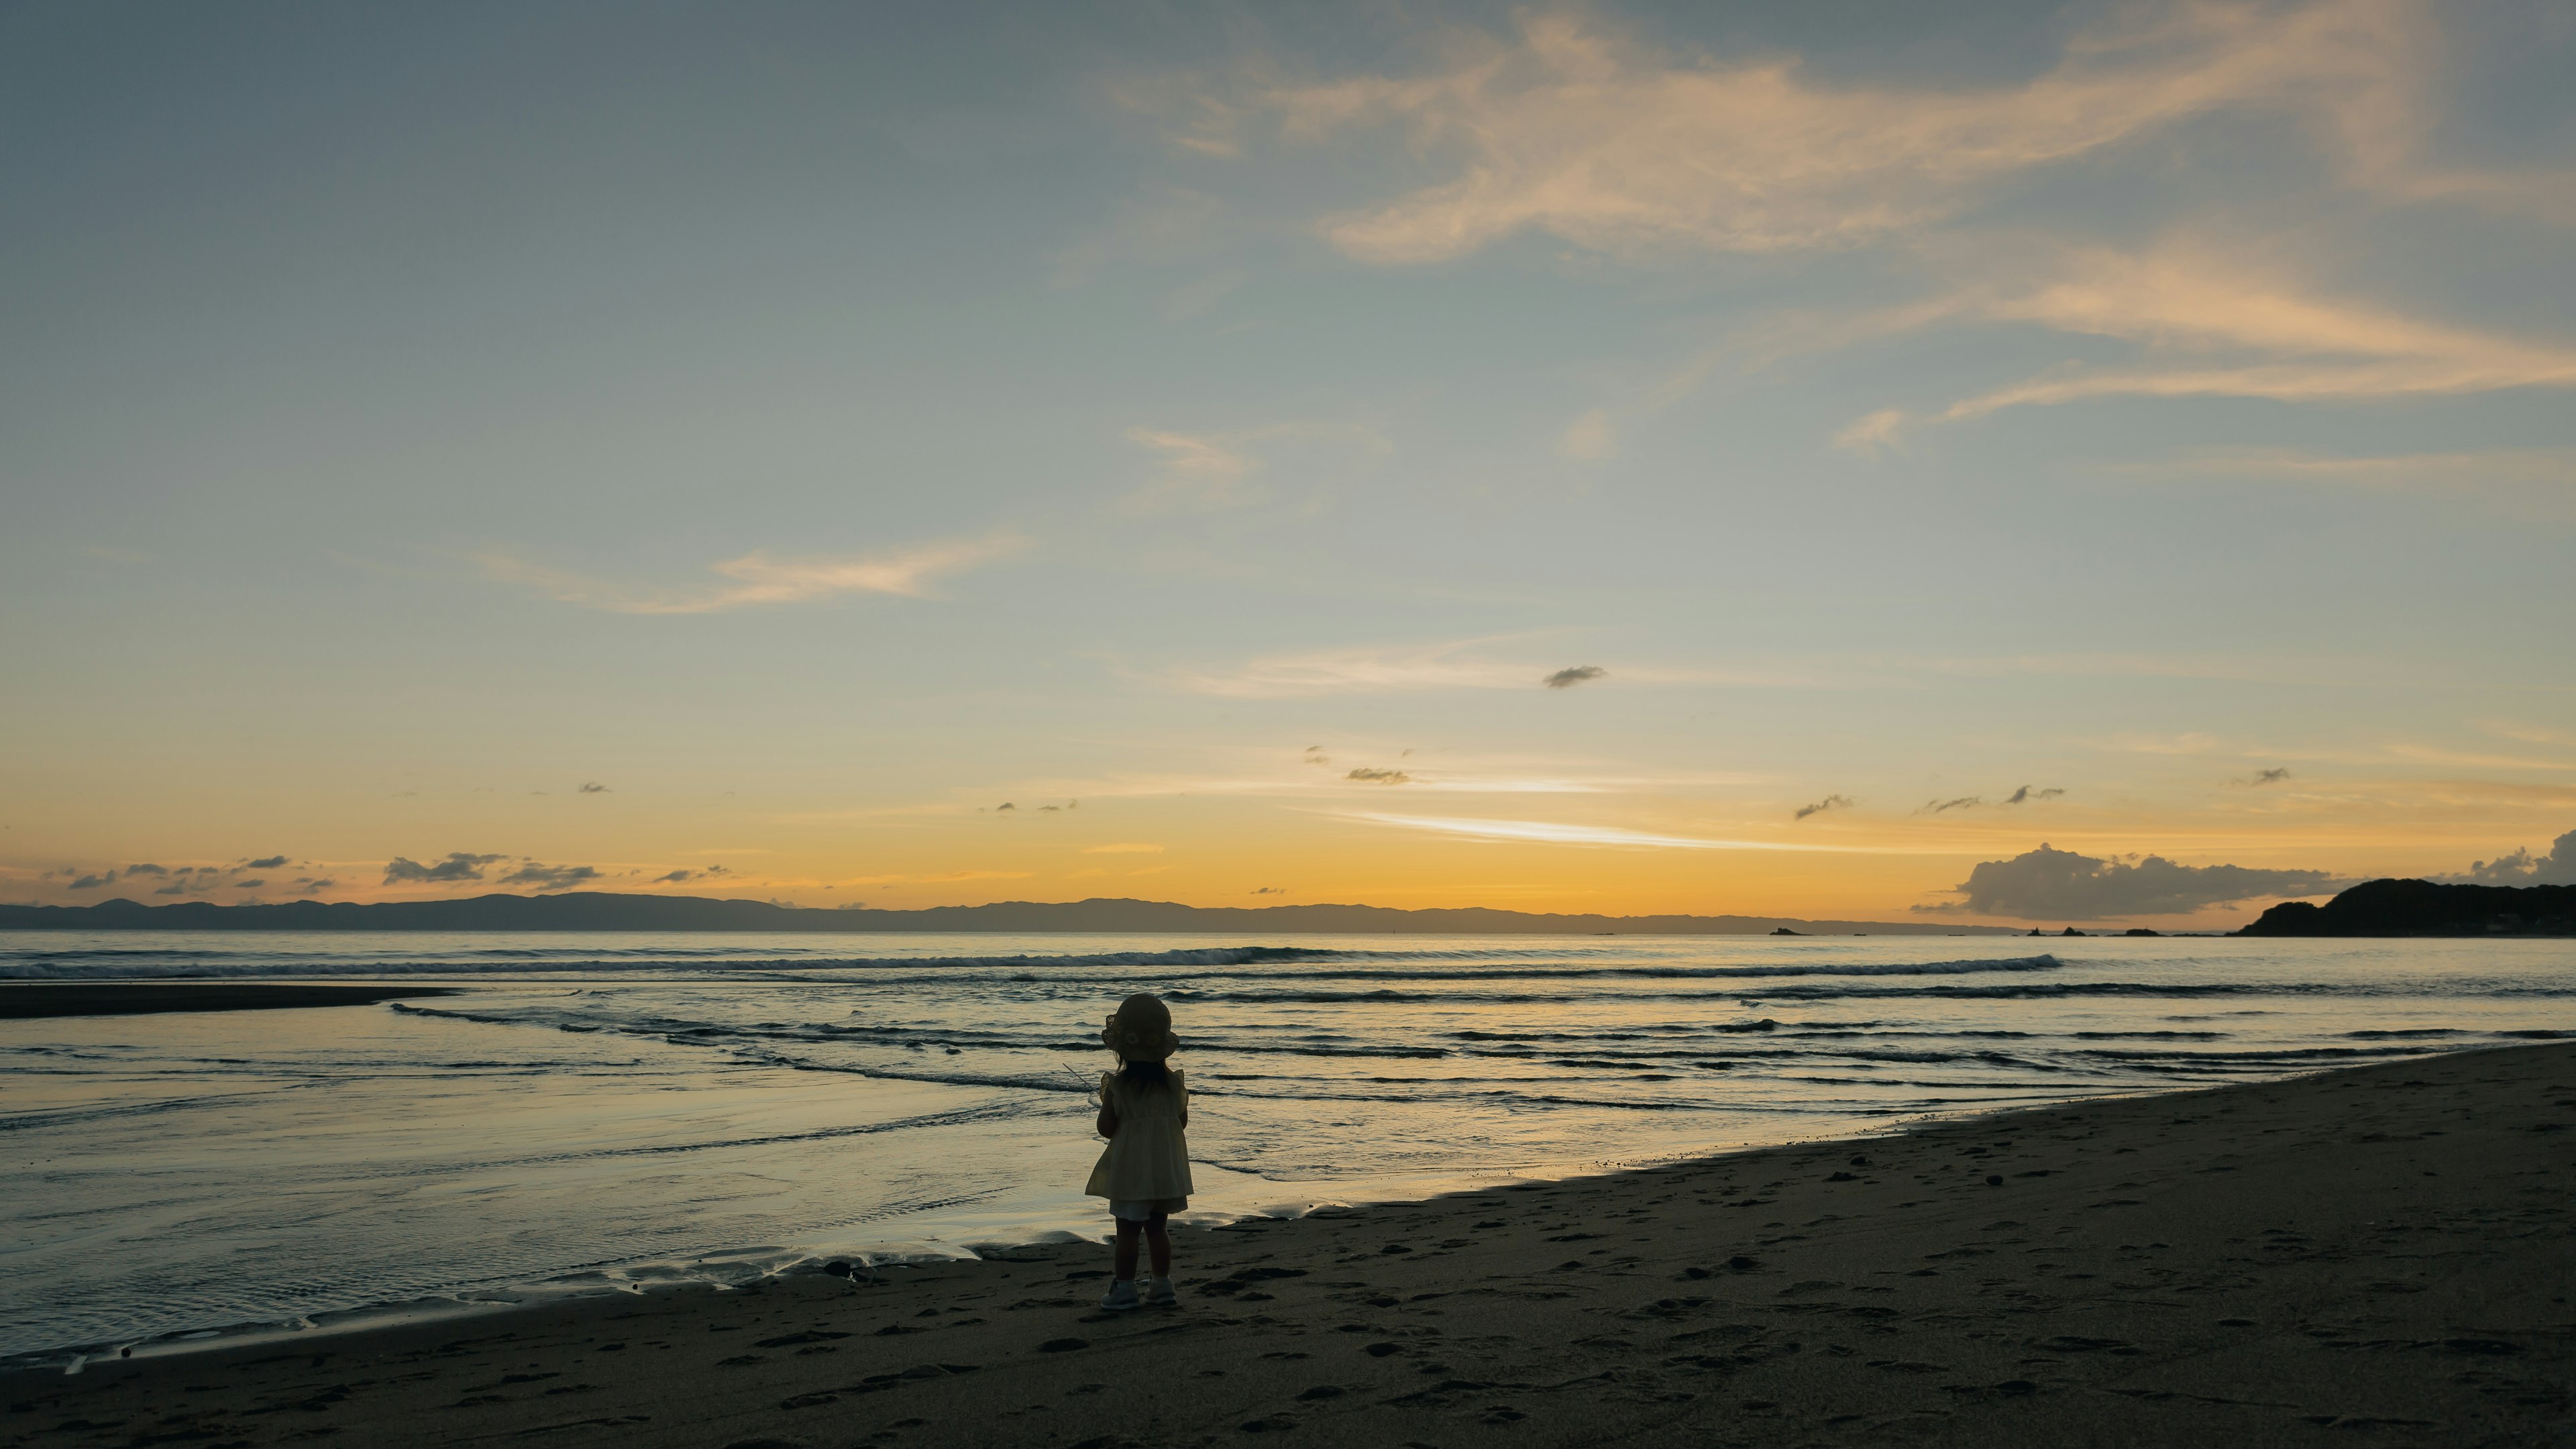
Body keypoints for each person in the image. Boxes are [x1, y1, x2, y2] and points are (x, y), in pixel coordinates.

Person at [1085, 992, 1193, 1310]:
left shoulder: (1119, 1086)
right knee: (1158, 1229)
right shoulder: (1174, 1084)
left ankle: (1125, 1290)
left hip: (1132, 1172)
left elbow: (1105, 1129)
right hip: (1164, 1169)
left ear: (1121, 1046)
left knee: (1128, 1231)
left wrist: (1106, 1102)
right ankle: (1162, 1285)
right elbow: (1181, 1122)